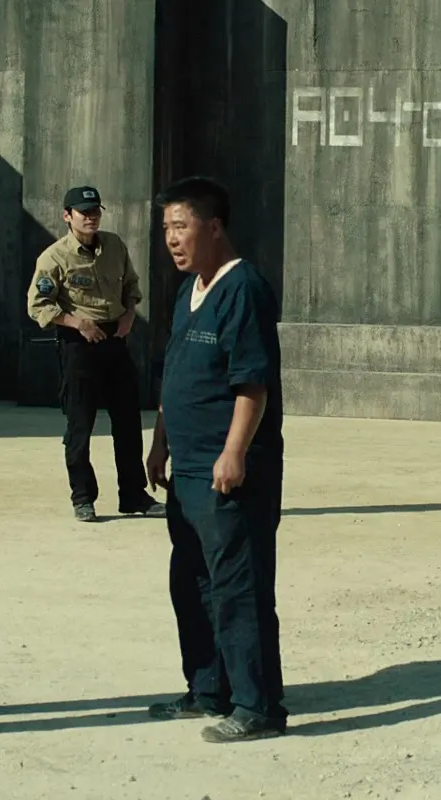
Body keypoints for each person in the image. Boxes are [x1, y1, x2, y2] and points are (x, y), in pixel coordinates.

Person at [142, 176, 288, 743]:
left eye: (181, 226)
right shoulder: (189, 291)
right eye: (166, 229)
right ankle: (209, 688)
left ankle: (258, 705)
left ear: (215, 226)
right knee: (193, 583)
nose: (172, 239)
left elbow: (252, 383)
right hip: (187, 472)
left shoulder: (243, 289)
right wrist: (161, 442)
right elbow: (175, 375)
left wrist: (234, 451)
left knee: (239, 586)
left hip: (230, 473)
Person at [28, 186, 163, 522]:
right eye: (83, 212)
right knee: (80, 426)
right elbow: (38, 306)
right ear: (67, 216)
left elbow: (131, 285)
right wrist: (77, 323)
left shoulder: (114, 245)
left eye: (95, 211)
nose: (91, 217)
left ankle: (133, 495)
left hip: (115, 340)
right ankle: (83, 497)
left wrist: (129, 314)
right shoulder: (54, 257)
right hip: (78, 346)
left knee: (128, 422)